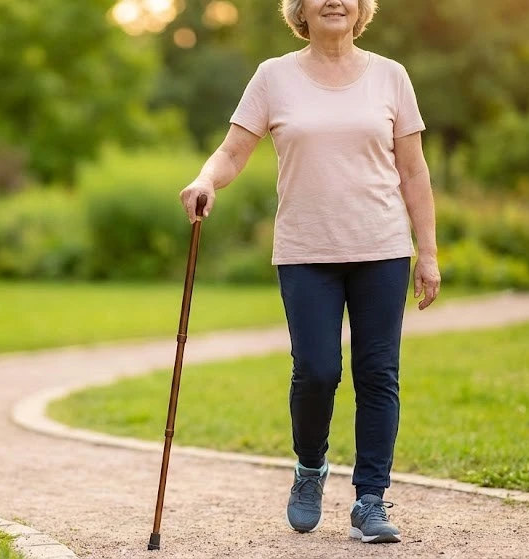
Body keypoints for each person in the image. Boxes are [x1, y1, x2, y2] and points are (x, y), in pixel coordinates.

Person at [178, 0, 441, 545]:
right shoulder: (273, 77)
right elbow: (232, 151)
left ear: (362, 8)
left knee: (378, 374)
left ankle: (371, 499)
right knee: (317, 371)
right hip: (305, 252)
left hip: (381, 249)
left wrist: (428, 252)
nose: (333, 2)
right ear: (299, 9)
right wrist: (205, 180)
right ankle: (310, 467)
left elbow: (413, 171)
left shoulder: (391, 77)